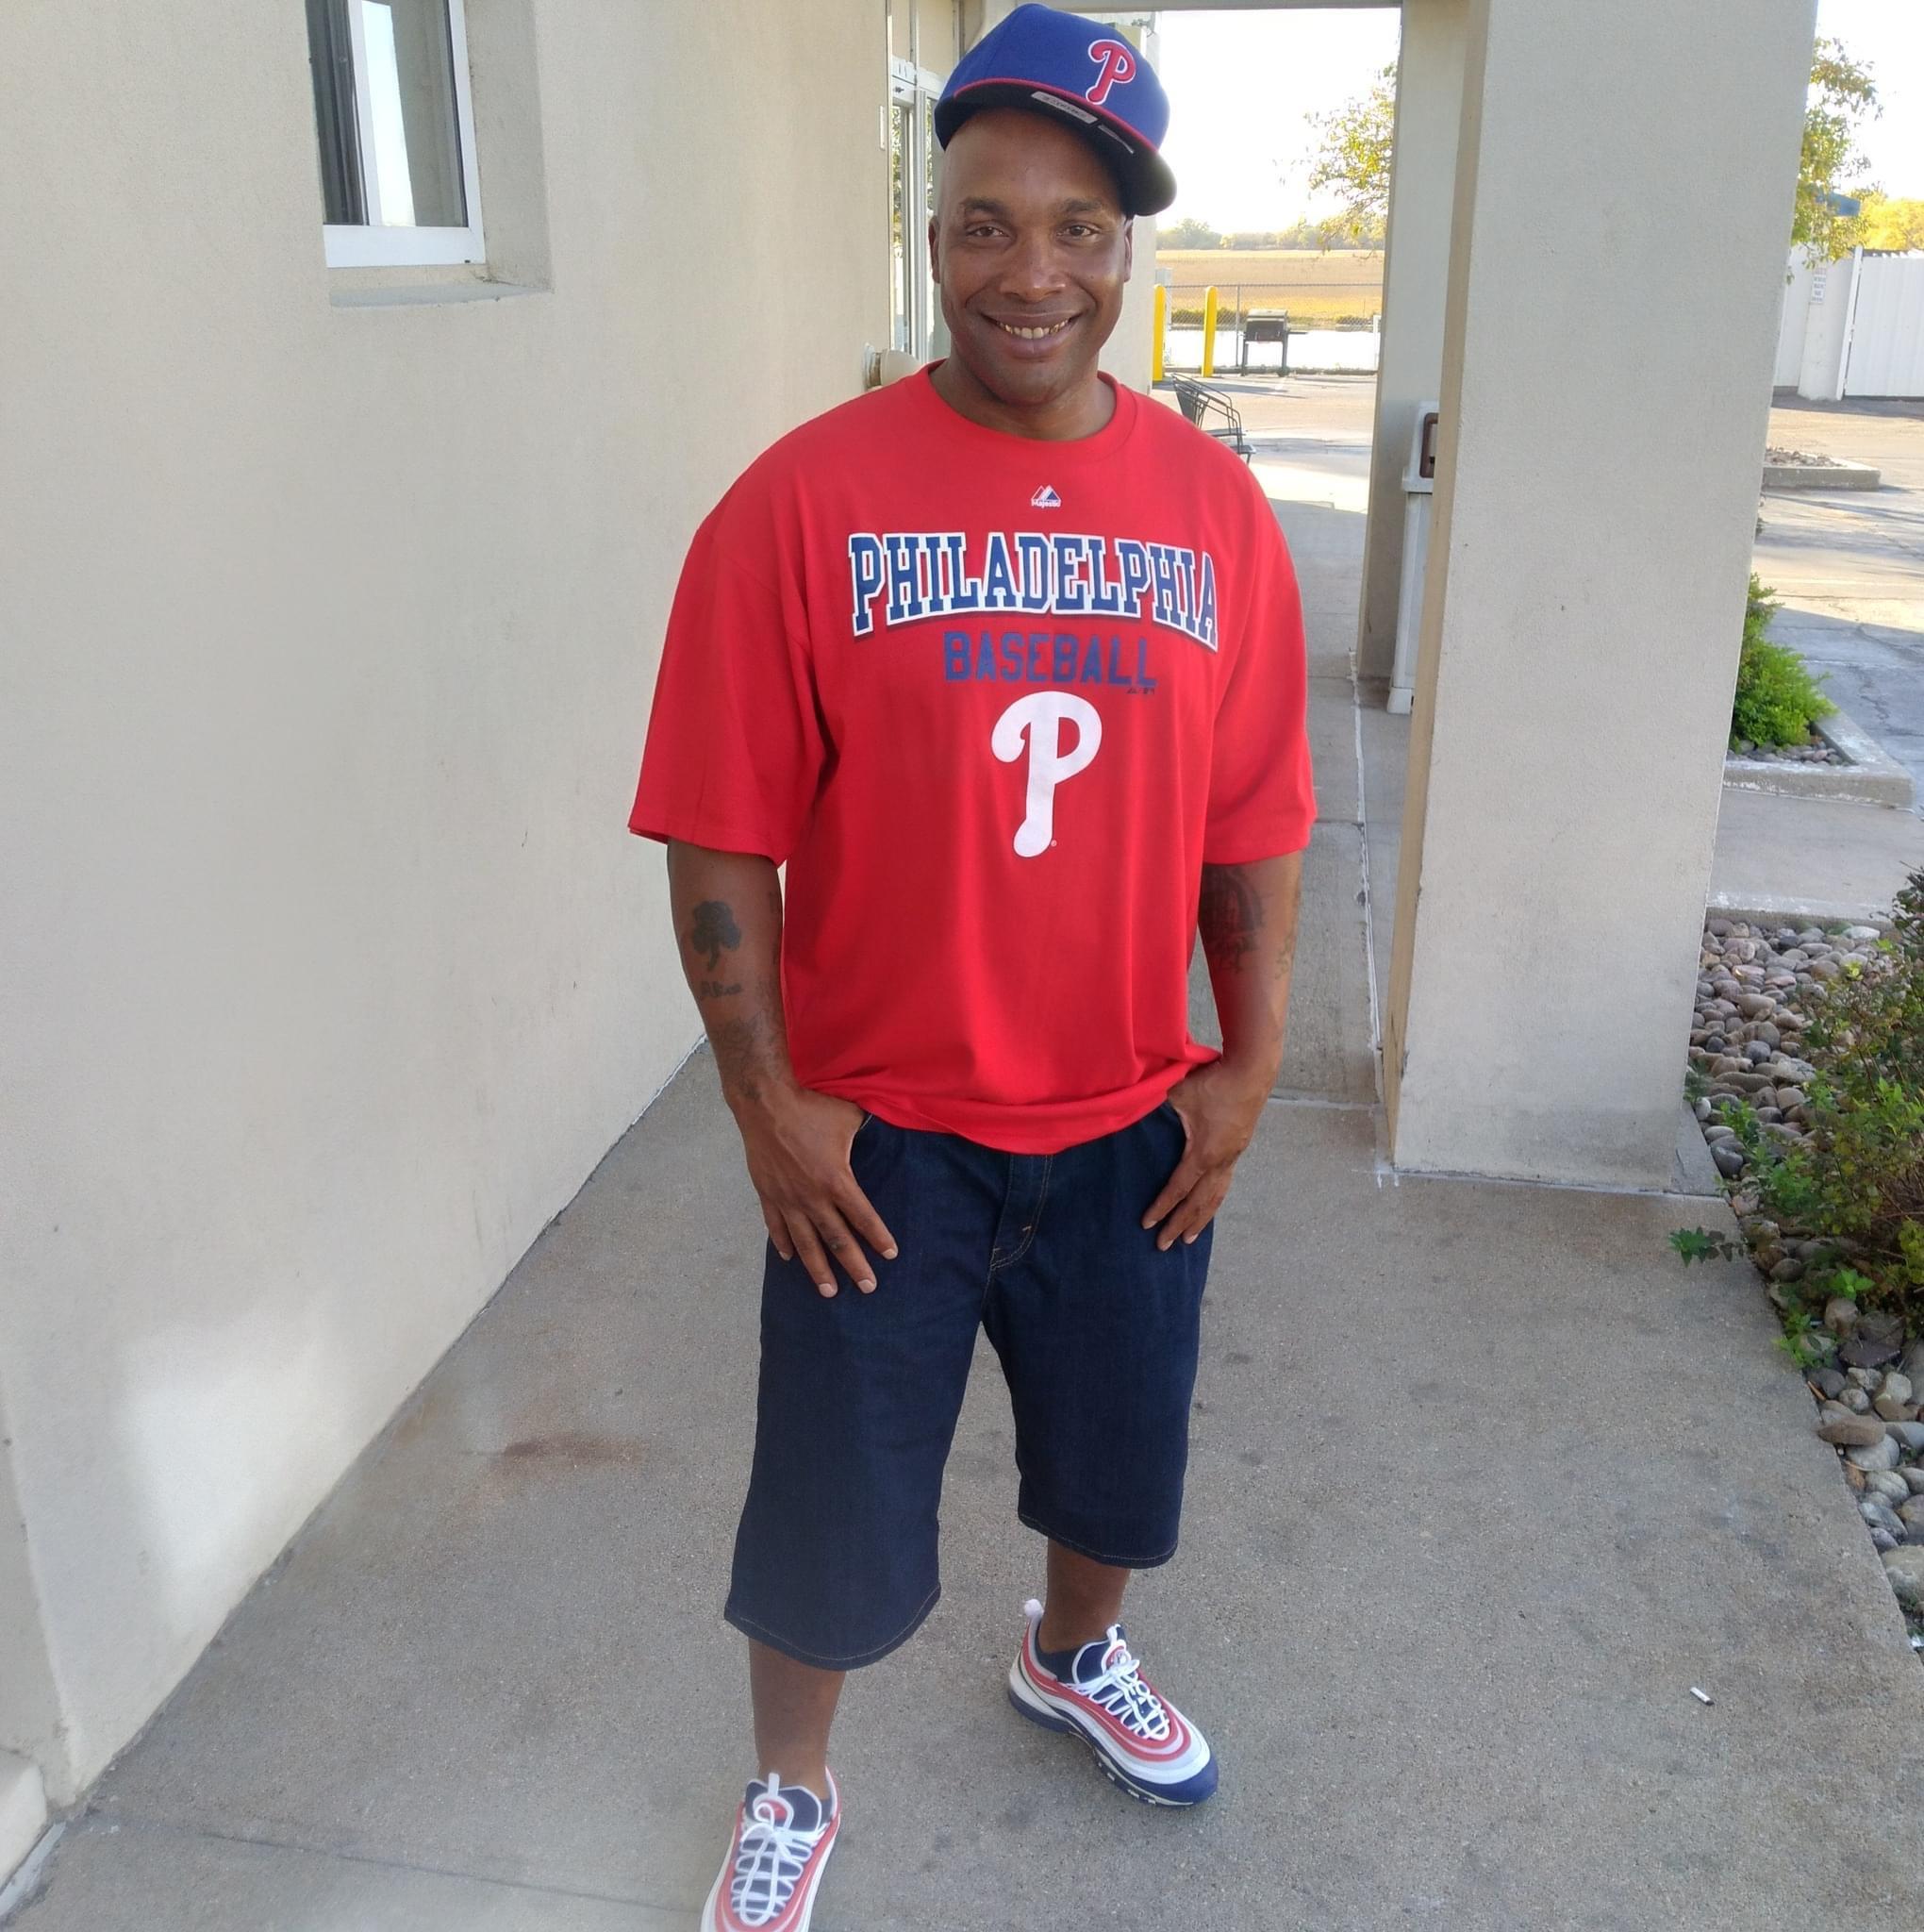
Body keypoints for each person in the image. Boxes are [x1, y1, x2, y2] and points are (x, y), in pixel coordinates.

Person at [628, 8, 1315, 1926]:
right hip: (884, 1143)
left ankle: (1070, 1654)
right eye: (989, 222)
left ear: (1127, 248)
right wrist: (768, 1108)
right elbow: (717, 830)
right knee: (829, 1507)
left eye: (1079, 226)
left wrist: (1251, 1061)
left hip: (1127, 1125)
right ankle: (791, 1786)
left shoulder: (1215, 514)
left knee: (1118, 1465)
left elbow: (1251, 820)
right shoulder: (800, 501)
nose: (1034, 271)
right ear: (933, 238)